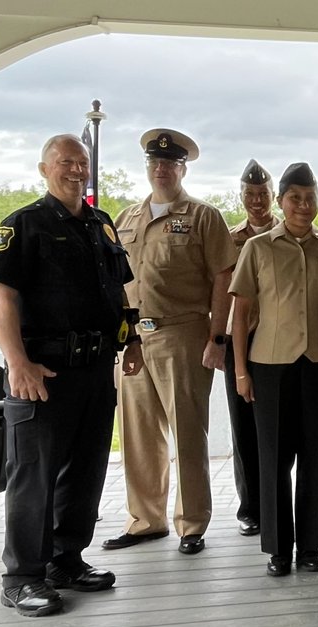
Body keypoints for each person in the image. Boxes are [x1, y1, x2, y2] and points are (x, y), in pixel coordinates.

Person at [0, 134, 142, 617]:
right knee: (33, 476)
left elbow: (119, 291)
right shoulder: (24, 225)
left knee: (87, 467)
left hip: (96, 369)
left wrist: (132, 339)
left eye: (82, 163)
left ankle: (65, 561)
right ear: (44, 169)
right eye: (65, 163)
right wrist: (17, 363)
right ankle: (22, 577)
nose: (76, 170)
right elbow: (0, 299)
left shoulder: (101, 224)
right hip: (43, 371)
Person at [104, 129, 237, 556]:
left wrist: (218, 337)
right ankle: (146, 520)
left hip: (183, 333)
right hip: (134, 340)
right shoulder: (125, 219)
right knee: (137, 435)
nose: (161, 169)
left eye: (170, 163)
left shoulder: (202, 216)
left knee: (187, 433)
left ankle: (191, 523)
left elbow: (224, 276)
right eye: (154, 163)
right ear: (147, 168)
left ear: (183, 168)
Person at [230, 162, 318, 577]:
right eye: (295, 198)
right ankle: (279, 549)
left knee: (316, 457)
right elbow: (241, 311)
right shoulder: (258, 247)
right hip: (270, 366)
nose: (303, 205)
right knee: (274, 458)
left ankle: (313, 548)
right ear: (281, 202)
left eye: (310, 197)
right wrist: (241, 372)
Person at [223, 159, 279, 538]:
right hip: (239, 340)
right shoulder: (227, 239)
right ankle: (250, 506)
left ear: (274, 196)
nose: (257, 201)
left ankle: (278, 502)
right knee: (243, 428)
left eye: (263, 194)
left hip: (278, 342)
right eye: (250, 195)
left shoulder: (292, 232)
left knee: (278, 430)